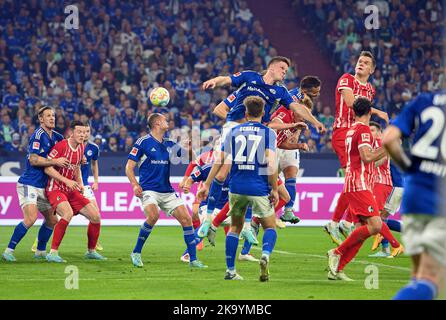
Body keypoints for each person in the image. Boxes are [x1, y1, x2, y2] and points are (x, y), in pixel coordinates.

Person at [198, 57, 325, 238]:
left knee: (254, 178)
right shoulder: (250, 77)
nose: (284, 72)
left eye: (286, 70)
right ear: (271, 67)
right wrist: (214, 81)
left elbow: (297, 107)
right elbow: (226, 79)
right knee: (221, 172)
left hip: (256, 133)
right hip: (234, 126)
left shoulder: (280, 91)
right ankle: (208, 219)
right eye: (282, 68)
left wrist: (315, 121)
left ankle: (248, 226)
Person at [326, 98, 403, 281]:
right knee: (376, 225)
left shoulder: (351, 130)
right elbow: (367, 157)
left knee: (360, 231)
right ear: (370, 112)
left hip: (357, 182)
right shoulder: (364, 130)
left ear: (354, 112)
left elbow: (369, 161)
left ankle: (337, 270)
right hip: (359, 184)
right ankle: (336, 252)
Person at [383, 89, 446, 300]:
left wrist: (410, 170)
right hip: (440, 197)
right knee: (433, 279)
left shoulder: (424, 100)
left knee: (418, 276)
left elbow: (389, 139)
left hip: (416, 191)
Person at [125, 113, 207, 269]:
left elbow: (193, 160)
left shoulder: (169, 144)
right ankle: (136, 252)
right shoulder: (142, 142)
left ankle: (193, 260)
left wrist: (189, 150)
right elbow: (129, 167)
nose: (167, 122)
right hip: (149, 189)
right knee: (153, 216)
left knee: (187, 219)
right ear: (156, 123)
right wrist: (135, 185)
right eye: (164, 120)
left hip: (167, 191)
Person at [324, 51, 390, 246]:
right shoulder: (346, 80)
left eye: (366, 62)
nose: (361, 64)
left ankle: (346, 221)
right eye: (360, 61)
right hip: (344, 133)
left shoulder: (370, 89)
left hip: (359, 133)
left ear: (372, 69)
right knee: (354, 178)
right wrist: (379, 112)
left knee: (358, 180)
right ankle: (335, 222)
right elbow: (352, 104)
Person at [219, 96, 279, 281]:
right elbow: (271, 162)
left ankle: (230, 271)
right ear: (263, 112)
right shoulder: (268, 133)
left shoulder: (233, 131)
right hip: (258, 188)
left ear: (245, 113)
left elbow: (221, 159)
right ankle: (265, 254)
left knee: (235, 228)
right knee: (270, 227)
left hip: (236, 187)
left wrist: (208, 183)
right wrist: (274, 188)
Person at [2, 106, 67, 262]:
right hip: (29, 183)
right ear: (41, 119)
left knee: (52, 220)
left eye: (53, 116)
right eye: (48, 116)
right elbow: (34, 159)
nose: (52, 118)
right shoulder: (37, 136)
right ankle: (8, 251)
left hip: (44, 186)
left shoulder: (58, 137)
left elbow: (68, 149)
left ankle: (40, 251)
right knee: (31, 218)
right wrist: (54, 161)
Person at [44, 120, 106, 263]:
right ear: (71, 132)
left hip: (71, 190)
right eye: (79, 132)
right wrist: (66, 181)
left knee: (95, 216)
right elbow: (47, 168)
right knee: (67, 213)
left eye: (85, 132)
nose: (82, 135)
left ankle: (91, 251)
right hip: (56, 189)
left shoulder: (81, 148)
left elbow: (76, 167)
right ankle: (53, 253)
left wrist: (80, 184)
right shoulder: (61, 146)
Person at [368, 122, 403, 257]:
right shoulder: (380, 145)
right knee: (381, 219)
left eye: (373, 130)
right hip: (395, 185)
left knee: (378, 219)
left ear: (380, 133)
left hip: (394, 185)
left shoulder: (382, 145)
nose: (370, 133)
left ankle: (387, 249)